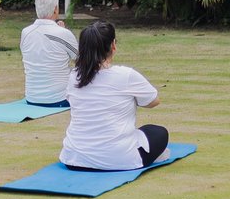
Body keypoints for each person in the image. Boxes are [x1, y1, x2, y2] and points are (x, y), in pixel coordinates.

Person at [59, 20, 169, 171]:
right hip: (118, 158)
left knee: (147, 131)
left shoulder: (74, 76)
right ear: (113, 45)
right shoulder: (126, 75)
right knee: (159, 132)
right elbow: (153, 101)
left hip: (74, 158)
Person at [20, 0, 78, 107]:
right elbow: (81, 59)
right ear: (56, 9)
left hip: (32, 97)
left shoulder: (25, 32)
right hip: (60, 99)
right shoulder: (63, 33)